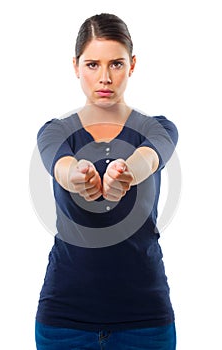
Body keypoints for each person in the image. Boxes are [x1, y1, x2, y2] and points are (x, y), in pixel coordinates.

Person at [35, 13, 178, 350]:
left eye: (115, 64)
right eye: (92, 64)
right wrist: (77, 176)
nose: (104, 78)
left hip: (145, 322)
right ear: (75, 66)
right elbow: (61, 166)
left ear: (132, 65)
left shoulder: (158, 128)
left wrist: (126, 172)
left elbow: (150, 157)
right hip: (64, 322)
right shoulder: (55, 132)